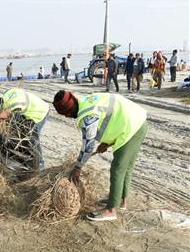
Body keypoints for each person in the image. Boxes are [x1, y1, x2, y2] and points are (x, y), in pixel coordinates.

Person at [52, 90, 147, 221]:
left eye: (66, 115)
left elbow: (88, 146)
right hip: (137, 120)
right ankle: (121, 201)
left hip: (132, 127)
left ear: (68, 112)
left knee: (118, 169)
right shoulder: (87, 101)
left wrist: (78, 167)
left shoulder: (87, 117)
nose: (67, 117)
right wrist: (107, 143)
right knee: (126, 167)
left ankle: (111, 210)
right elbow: (111, 117)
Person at [1, 88, 49, 170]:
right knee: (23, 135)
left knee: (33, 139)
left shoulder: (14, 106)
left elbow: (14, 120)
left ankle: (40, 165)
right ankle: (25, 159)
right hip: (30, 110)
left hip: (39, 113)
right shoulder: (6, 97)